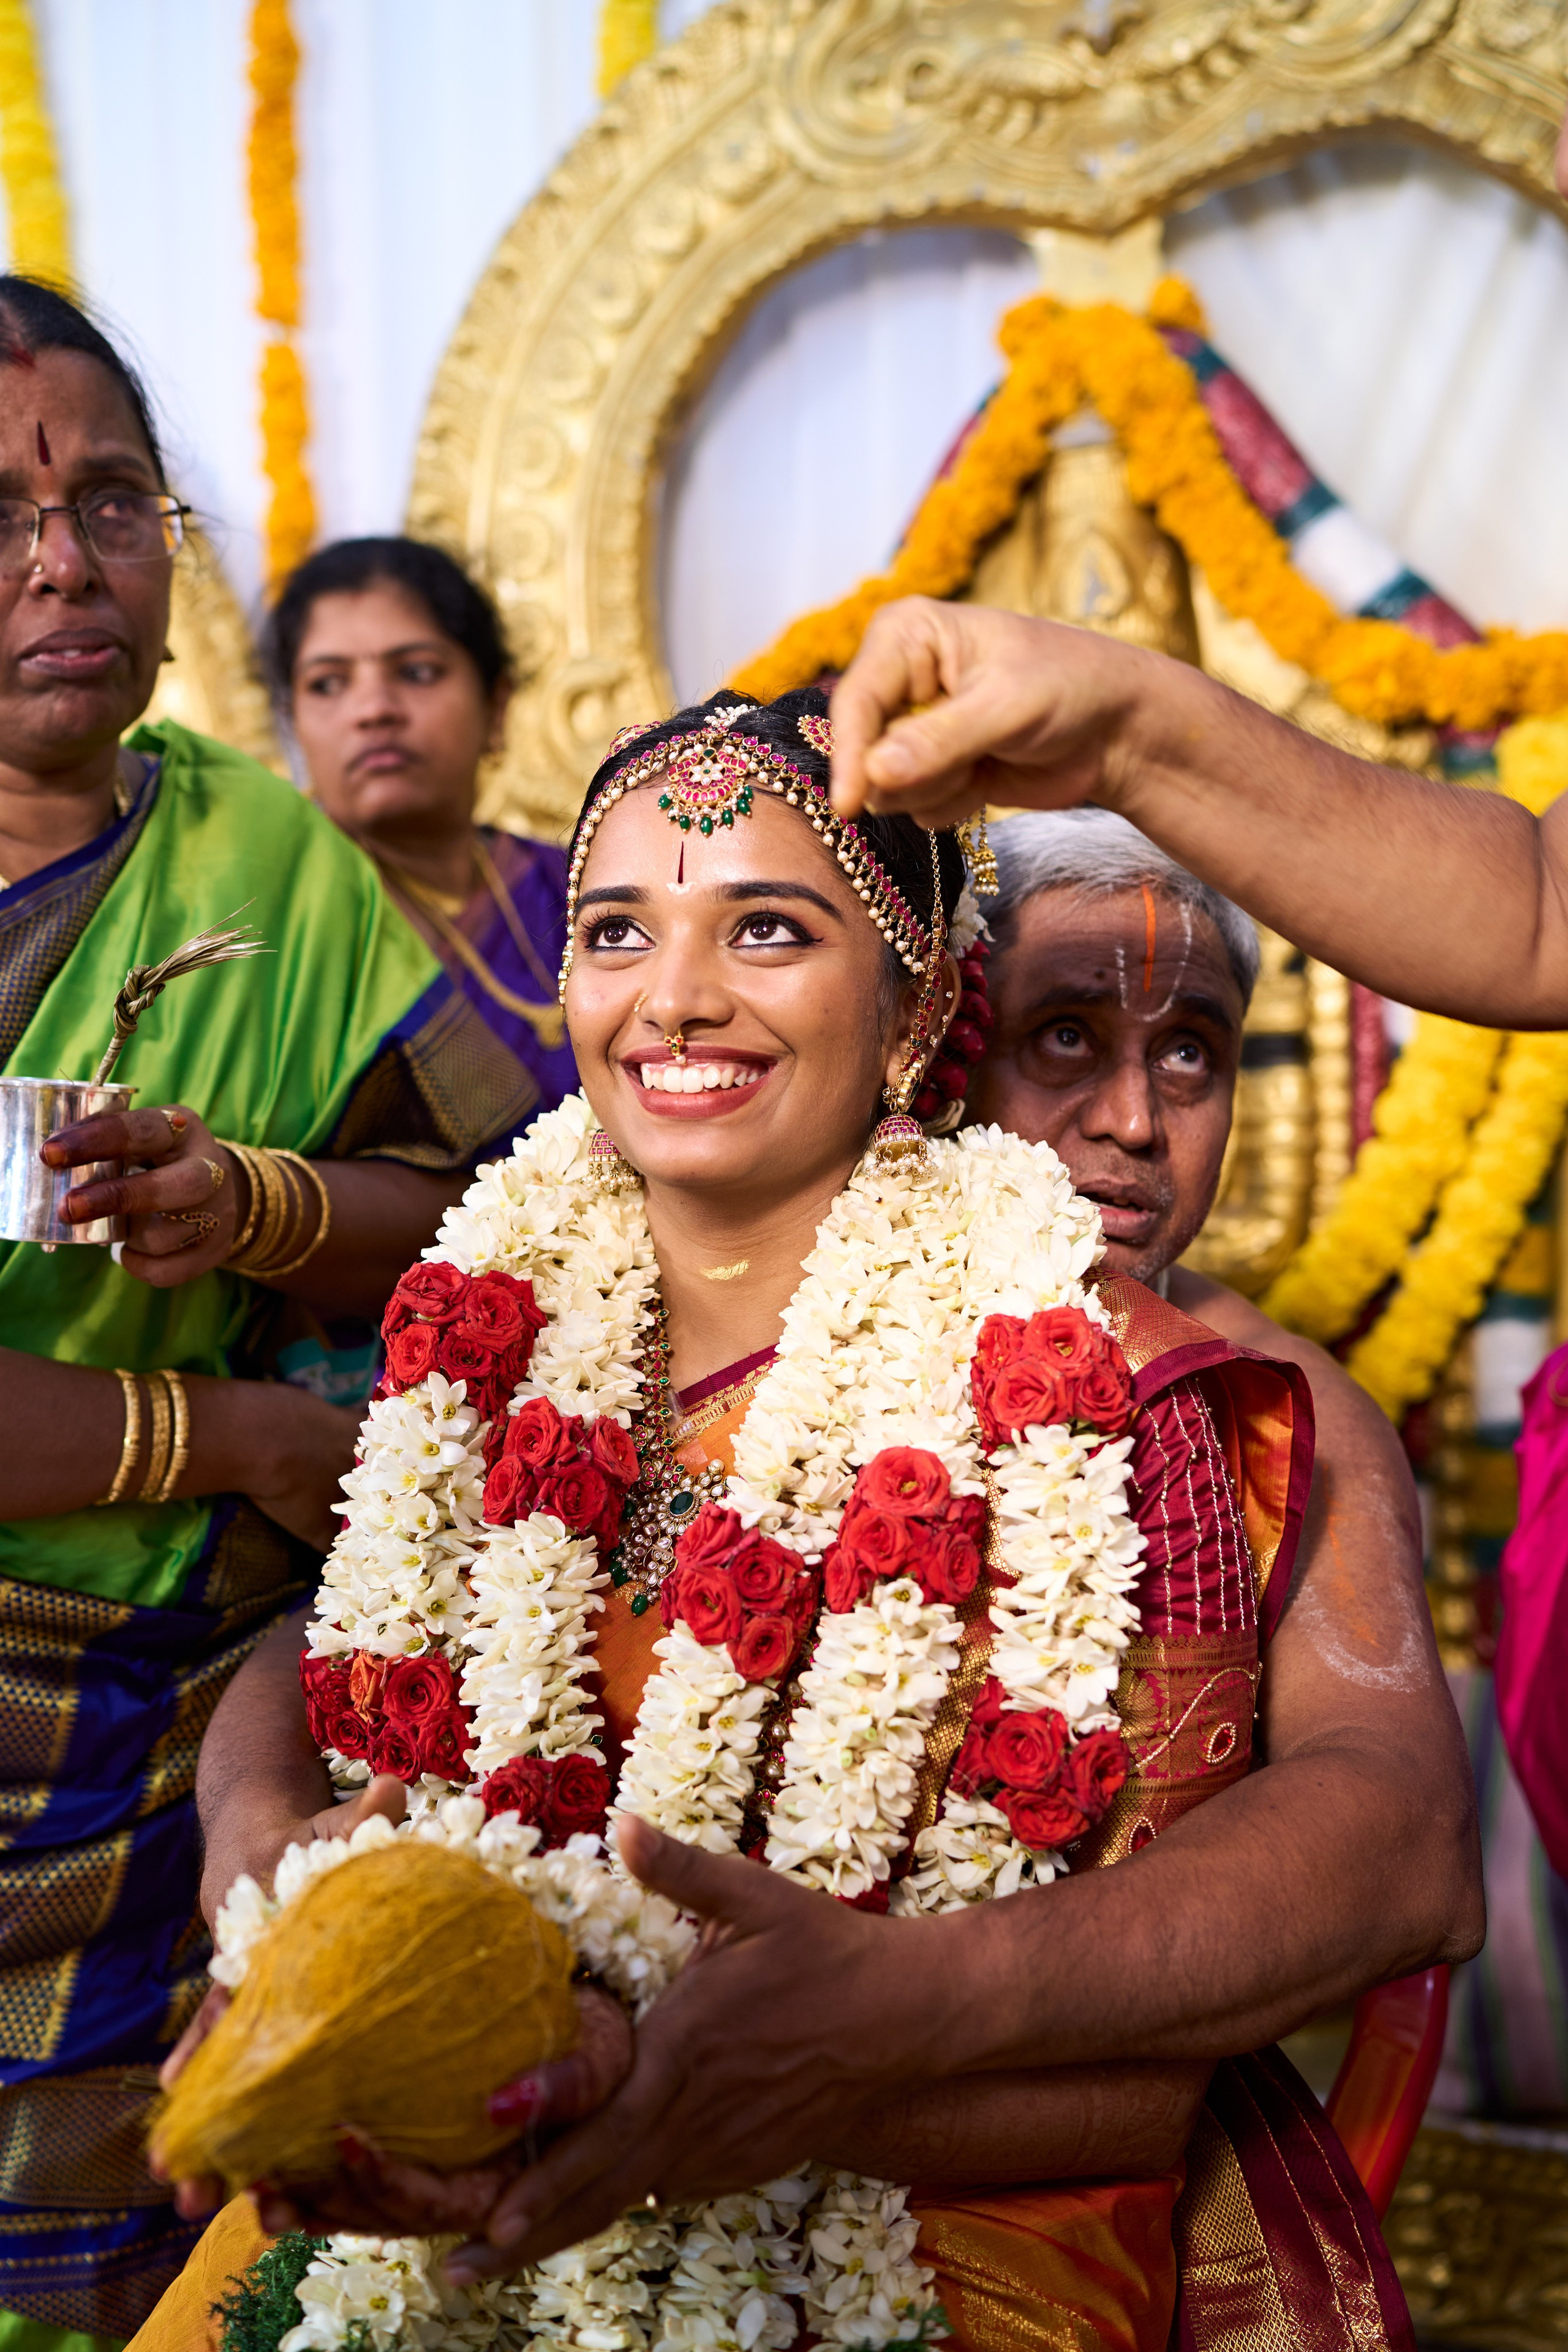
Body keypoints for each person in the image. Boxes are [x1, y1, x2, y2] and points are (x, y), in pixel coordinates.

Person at [138, 688, 1479, 2352]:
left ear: (918, 1015)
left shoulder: (1114, 1400)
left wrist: (811, 2041)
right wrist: (272, 1880)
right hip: (451, 2119)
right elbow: (344, 1628)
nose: (675, 997)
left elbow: (1316, 1913)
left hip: (916, 2204)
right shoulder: (517, 1298)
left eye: (765, 928)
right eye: (616, 931)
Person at [0, 276, 539, 2352]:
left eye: (110, 502)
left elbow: (479, 1226)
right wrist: (228, 1435)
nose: (67, 562)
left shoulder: (262, 857)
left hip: (147, 1731)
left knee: (146, 2248)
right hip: (171, 1553)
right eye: (3, 516)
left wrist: (250, 1202)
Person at [262, 537, 578, 1116]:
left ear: (497, 705)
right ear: (293, 725)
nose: (373, 709)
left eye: (417, 671)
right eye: (328, 683)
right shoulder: (280, 926)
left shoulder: (579, 887)